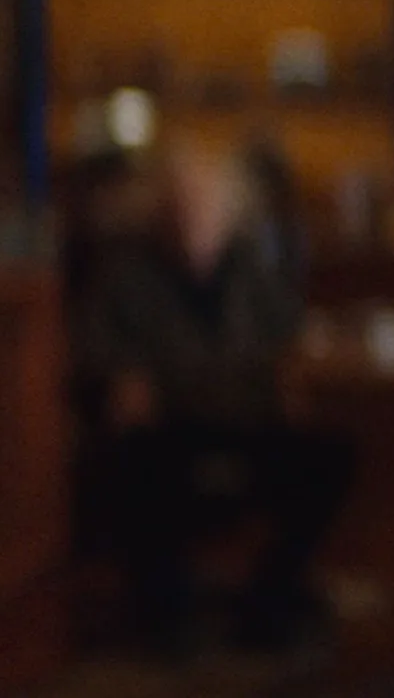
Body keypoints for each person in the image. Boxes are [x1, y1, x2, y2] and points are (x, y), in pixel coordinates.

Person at [72, 139, 351, 652]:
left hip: (249, 422)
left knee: (331, 460)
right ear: (160, 214)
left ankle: (267, 601)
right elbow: (103, 359)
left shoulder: (249, 268)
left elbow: (291, 336)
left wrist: (287, 379)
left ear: (228, 213)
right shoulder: (127, 273)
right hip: (169, 430)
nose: (192, 220)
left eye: (204, 207)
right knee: (137, 465)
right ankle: (165, 620)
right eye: (180, 208)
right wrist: (132, 383)